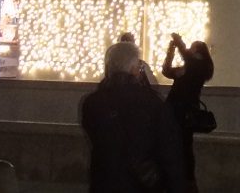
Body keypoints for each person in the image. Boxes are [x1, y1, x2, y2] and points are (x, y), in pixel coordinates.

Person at [80, 39, 182, 193]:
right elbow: (169, 152)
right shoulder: (152, 103)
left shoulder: (92, 103)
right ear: (134, 69)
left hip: (105, 182)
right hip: (141, 184)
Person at [162, 33, 214, 193]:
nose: (190, 52)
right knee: (179, 145)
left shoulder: (199, 68)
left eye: (193, 49)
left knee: (184, 146)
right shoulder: (189, 68)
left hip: (184, 112)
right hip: (175, 110)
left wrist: (179, 43)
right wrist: (171, 50)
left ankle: (187, 182)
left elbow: (188, 59)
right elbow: (166, 70)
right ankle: (181, 180)